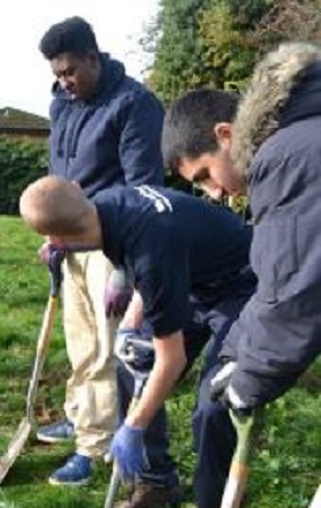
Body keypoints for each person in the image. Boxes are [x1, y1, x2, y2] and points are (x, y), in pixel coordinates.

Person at [20, 176, 256, 507]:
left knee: (213, 404)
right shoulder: (105, 205)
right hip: (190, 276)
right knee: (133, 367)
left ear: (55, 237)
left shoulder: (151, 252)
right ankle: (156, 482)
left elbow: (170, 359)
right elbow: (137, 258)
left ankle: (215, 500)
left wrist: (133, 426)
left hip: (243, 286)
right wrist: (131, 324)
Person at [36, 16, 166, 485]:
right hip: (67, 241)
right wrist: (50, 233)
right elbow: (59, 174)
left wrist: (123, 272)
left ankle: (94, 448)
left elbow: (143, 188)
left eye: (70, 70)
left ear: (93, 57)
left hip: (110, 241)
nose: (64, 81)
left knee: (107, 350)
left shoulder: (134, 104)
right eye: (57, 73)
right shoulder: (63, 105)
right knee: (82, 345)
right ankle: (85, 417)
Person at [162, 43, 321, 418]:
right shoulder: (304, 136)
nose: (213, 194)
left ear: (224, 135)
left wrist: (249, 382)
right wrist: (235, 350)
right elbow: (274, 284)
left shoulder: (286, 159)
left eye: (204, 176)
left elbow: (294, 295)